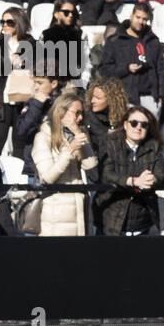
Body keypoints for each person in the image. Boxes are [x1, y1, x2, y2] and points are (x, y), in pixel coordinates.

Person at [31, 89, 98, 234]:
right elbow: (47, 178)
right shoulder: (43, 137)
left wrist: (77, 133)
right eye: (76, 113)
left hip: (79, 210)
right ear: (61, 112)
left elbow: (90, 165)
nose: (80, 118)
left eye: (82, 114)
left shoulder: (76, 134)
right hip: (56, 213)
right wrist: (69, 151)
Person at [97, 103, 164, 231]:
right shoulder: (109, 143)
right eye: (134, 123)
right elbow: (106, 173)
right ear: (125, 125)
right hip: (112, 217)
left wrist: (151, 180)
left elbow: (161, 173)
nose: (138, 127)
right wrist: (133, 181)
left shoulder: (153, 146)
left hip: (143, 218)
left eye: (144, 125)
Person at [0, 4, 35, 154]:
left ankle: (19, 178)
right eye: (3, 22)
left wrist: (24, 62)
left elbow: (42, 69)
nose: (5, 25)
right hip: (1, 101)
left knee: (20, 146)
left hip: (24, 100)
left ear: (19, 23)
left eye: (10, 22)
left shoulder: (33, 44)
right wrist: (8, 64)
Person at [100, 3, 163, 110]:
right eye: (138, 17)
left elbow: (160, 69)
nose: (140, 22)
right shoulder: (115, 40)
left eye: (144, 19)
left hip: (150, 99)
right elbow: (104, 70)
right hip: (123, 98)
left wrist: (162, 95)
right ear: (131, 16)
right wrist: (126, 69)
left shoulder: (153, 41)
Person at [84, 73, 129, 162]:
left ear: (111, 99)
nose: (92, 101)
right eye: (92, 96)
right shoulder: (87, 117)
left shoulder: (124, 118)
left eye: (98, 98)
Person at [39, 0, 85, 83]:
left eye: (73, 12)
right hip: (51, 81)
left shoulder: (80, 34)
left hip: (74, 82)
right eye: (66, 12)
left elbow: (85, 61)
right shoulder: (46, 35)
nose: (70, 15)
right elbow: (40, 60)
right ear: (56, 14)